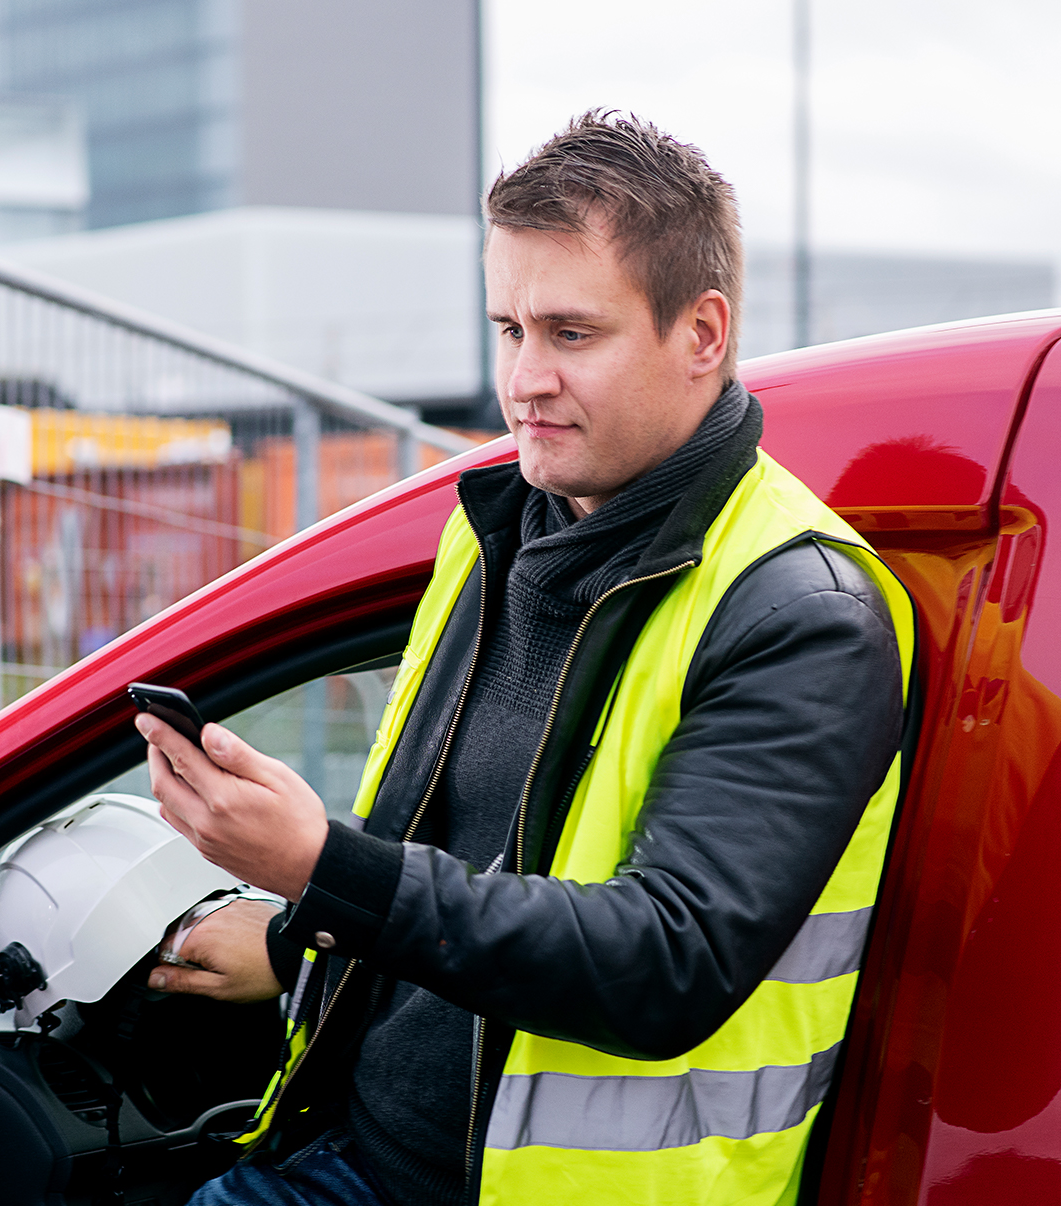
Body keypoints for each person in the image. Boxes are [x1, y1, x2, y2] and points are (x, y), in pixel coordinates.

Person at [134, 110, 915, 1206]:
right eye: (509, 329)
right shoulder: (497, 530)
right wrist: (300, 932)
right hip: (352, 1151)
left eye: (571, 334)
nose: (524, 380)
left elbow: (667, 962)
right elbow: (467, 859)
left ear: (702, 333)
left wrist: (323, 869)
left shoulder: (798, 611)